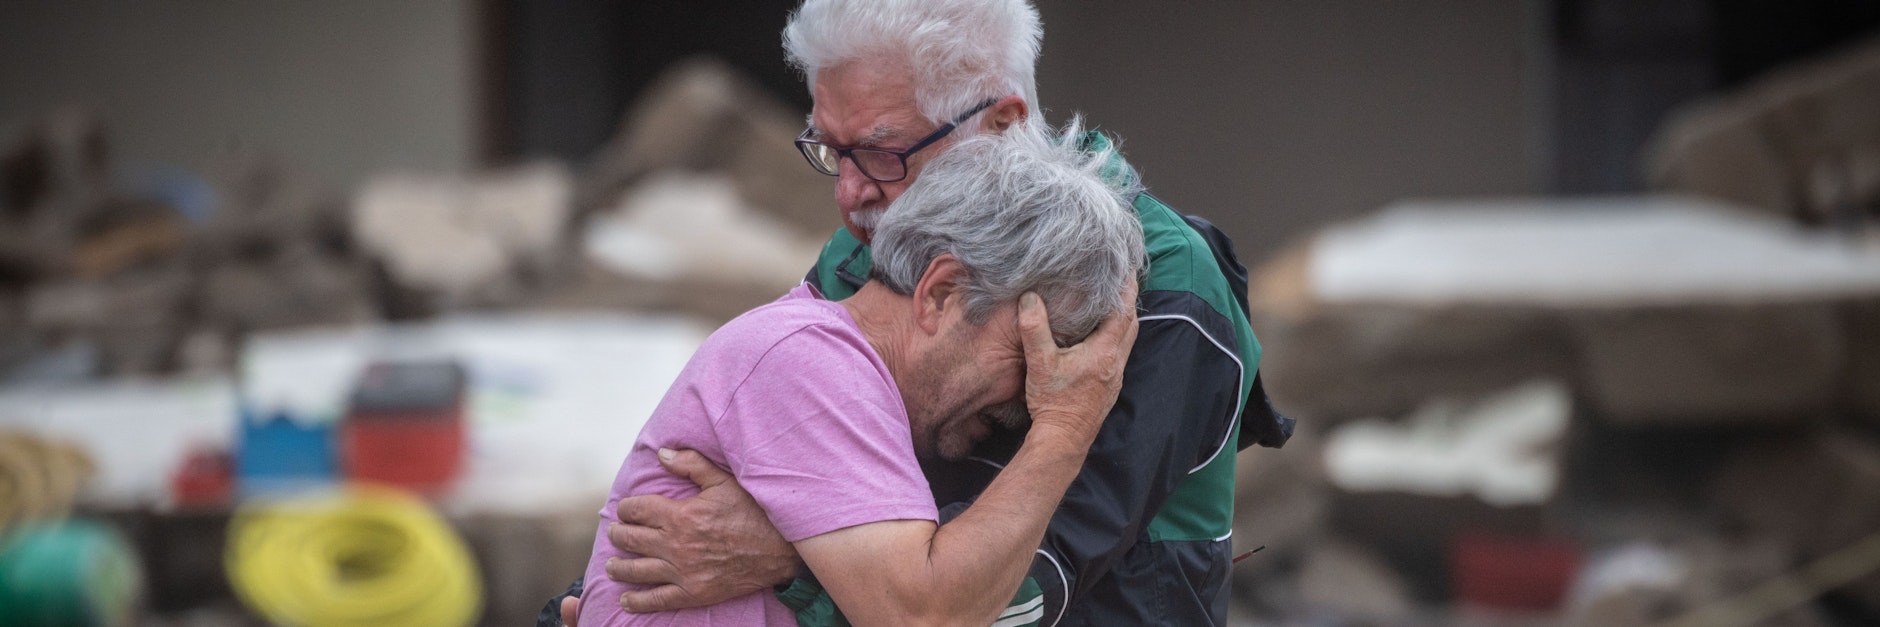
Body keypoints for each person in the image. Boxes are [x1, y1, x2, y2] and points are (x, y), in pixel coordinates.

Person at [549, 0, 1294, 625]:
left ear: (1001, 125)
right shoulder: (865, 251)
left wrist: (788, 557)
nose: (849, 192)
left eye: (880, 151)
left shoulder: (1158, 292)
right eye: (830, 150)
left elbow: (1016, 596)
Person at [577, 121, 1146, 626]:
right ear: (941, 293)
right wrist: (1068, 423)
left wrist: (786, 553)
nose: (1037, 392)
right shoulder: (806, 361)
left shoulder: (835, 369)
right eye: (1029, 352)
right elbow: (927, 616)